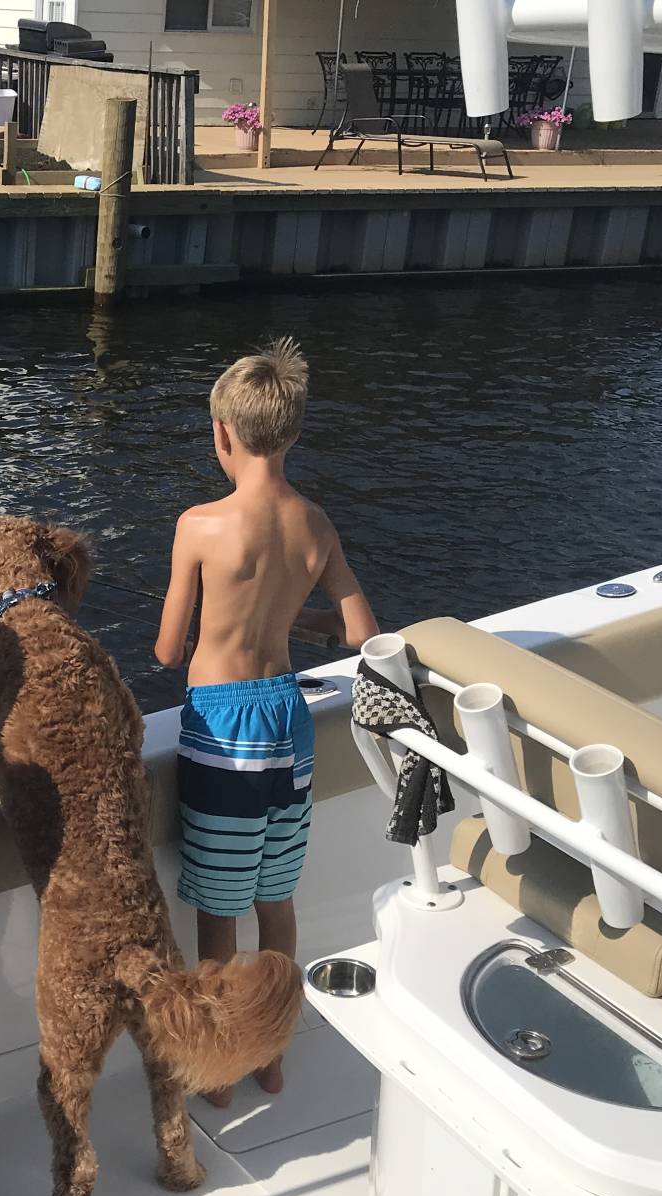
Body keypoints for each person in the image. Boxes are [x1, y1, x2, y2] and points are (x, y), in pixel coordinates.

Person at [153, 338, 379, 1107]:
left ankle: (220, 1065)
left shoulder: (198, 524)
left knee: (219, 909)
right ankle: (274, 1052)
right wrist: (295, 622)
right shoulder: (316, 524)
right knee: (274, 901)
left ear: (222, 433)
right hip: (288, 721)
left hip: (222, 727)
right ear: (293, 432)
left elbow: (166, 647)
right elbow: (357, 631)